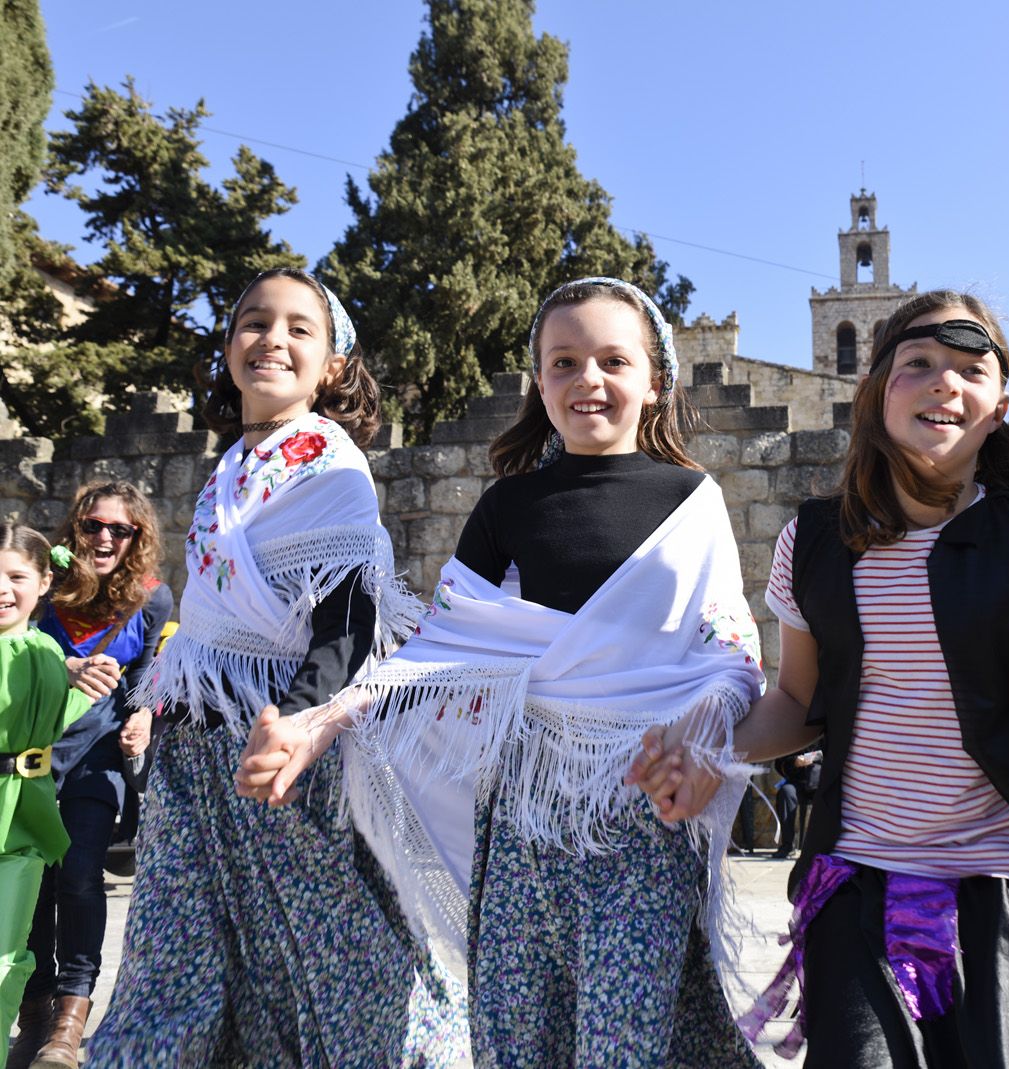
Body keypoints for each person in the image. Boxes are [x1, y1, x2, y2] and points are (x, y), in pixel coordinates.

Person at [236, 277, 766, 1068]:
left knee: (625, 1037)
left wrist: (700, 739)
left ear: (656, 381)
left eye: (613, 360)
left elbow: (727, 645)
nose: (587, 378)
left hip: (643, 804)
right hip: (524, 811)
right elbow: (440, 646)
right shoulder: (506, 505)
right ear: (540, 383)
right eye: (564, 362)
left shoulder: (694, 501)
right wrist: (320, 722)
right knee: (518, 1028)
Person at [634, 290, 1009, 1068]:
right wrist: (711, 746)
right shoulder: (813, 540)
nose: (944, 382)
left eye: (970, 369)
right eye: (920, 363)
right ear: (874, 394)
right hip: (861, 887)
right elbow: (798, 700)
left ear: (998, 411)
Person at [86, 268, 466, 1068]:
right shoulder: (232, 465)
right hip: (197, 753)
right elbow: (213, 617)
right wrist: (164, 705)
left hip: (282, 748)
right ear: (228, 348)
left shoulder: (330, 463)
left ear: (332, 365)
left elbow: (349, 615)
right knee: (179, 954)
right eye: (255, 322)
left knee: (328, 960)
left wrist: (294, 721)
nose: (273, 339)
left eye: (301, 328)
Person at [7, 483, 173, 1069]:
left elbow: (147, 675)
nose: (105, 537)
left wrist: (144, 718)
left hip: (98, 753)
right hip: (34, 751)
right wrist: (67, 666)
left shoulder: (152, 597)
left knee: (80, 873)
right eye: (94, 525)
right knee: (34, 882)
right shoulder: (45, 588)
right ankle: (34, 1011)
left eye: (120, 529)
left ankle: (69, 1021)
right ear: (76, 528)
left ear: (136, 537)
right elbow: (15, 646)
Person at [0, 525, 91, 1052]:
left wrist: (84, 684)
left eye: (16, 577)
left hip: (23, 820)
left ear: (43, 582)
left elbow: (52, 720)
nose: (3, 589)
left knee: (6, 953)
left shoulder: (48, 650)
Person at [771, 748, 820, 859]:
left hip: (820, 783)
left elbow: (832, 755)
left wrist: (815, 757)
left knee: (829, 795)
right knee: (786, 792)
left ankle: (822, 846)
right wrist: (794, 762)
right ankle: (787, 845)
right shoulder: (792, 740)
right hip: (797, 783)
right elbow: (780, 764)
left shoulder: (822, 738)